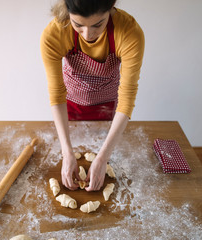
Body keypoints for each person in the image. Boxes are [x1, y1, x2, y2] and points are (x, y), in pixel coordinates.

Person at [40, 0, 144, 191]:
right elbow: (56, 94)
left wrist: (103, 157)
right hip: (70, 106)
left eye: (98, 24)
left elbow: (127, 99)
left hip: (109, 107)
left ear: (111, 8)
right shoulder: (54, 33)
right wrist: (67, 152)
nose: (88, 35)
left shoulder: (128, 32)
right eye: (78, 25)